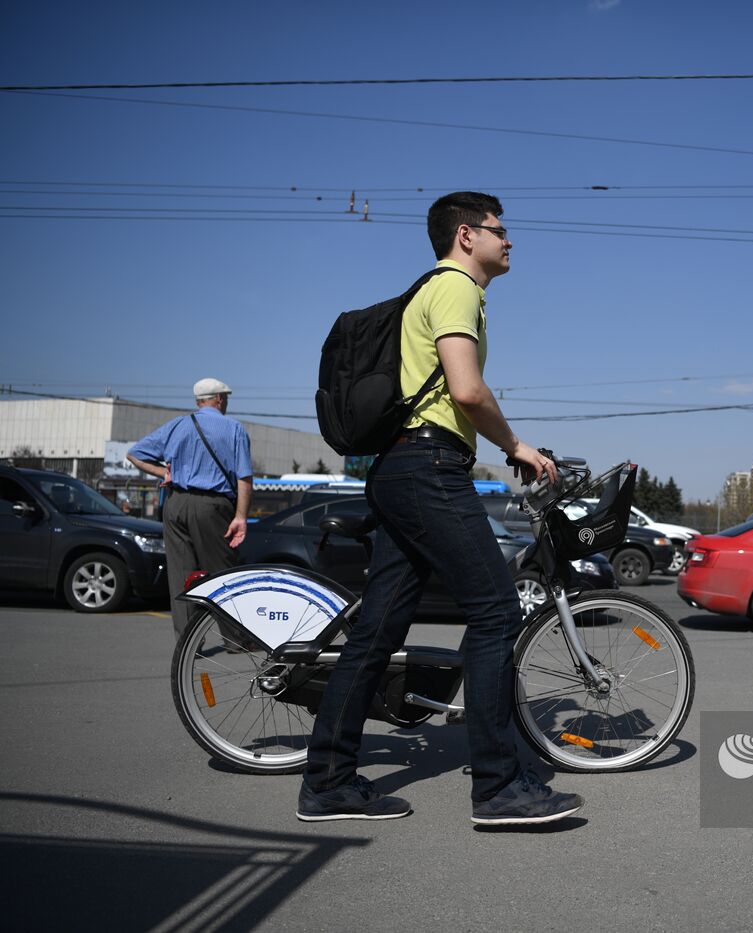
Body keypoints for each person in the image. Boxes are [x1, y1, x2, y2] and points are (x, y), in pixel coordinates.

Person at [296, 191, 583, 826]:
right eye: (498, 230)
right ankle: (499, 787)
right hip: (426, 470)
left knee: (376, 630)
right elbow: (466, 388)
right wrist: (517, 446)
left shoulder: (435, 290)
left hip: (402, 468)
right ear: (465, 236)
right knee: (496, 614)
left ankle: (327, 781)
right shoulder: (456, 288)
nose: (509, 241)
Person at [127, 378, 252, 636]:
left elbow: (134, 454)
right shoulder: (234, 428)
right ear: (218, 399)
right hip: (212, 505)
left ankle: (186, 640)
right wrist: (241, 515)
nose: (226, 402)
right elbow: (244, 478)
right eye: (225, 398)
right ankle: (234, 638)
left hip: (175, 504)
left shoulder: (177, 425)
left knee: (180, 573)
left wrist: (163, 472)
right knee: (222, 571)